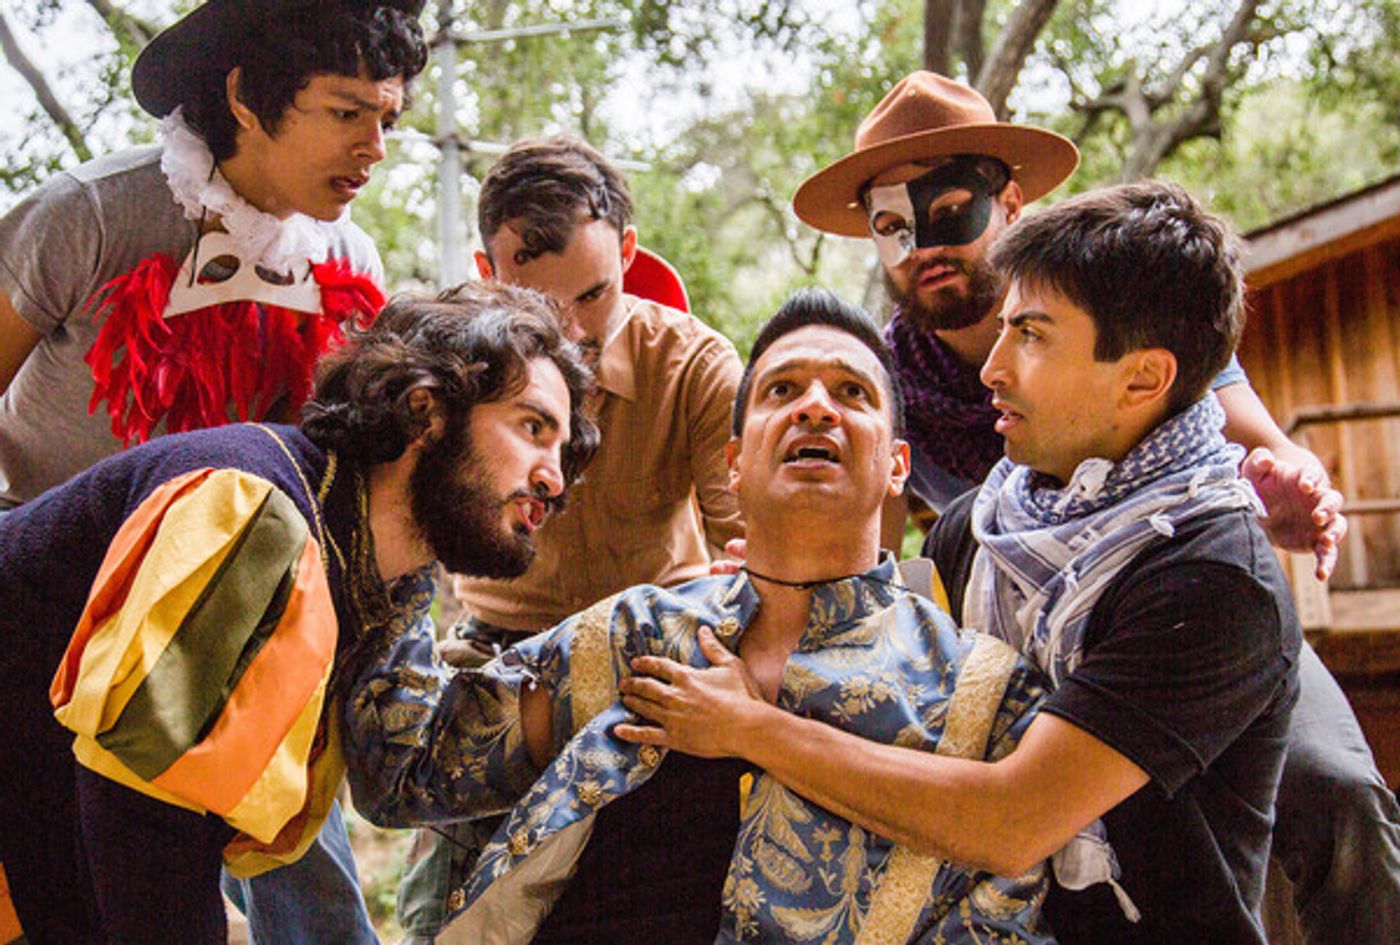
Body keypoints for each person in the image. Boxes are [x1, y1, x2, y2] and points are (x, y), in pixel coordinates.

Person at [790, 72, 1399, 943]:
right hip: (1015, 617)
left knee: (1335, 791)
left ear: (1011, 202)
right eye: (890, 225)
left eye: (948, 209)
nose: (920, 244)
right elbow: (874, 569)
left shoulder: (1117, 302)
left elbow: (1255, 448)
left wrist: (1286, 487)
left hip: (1172, 592)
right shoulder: (888, 380)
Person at [622, 183, 1302, 943]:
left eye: (1033, 336)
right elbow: (903, 680)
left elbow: (1010, 820)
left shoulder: (1212, 579)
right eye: (1004, 329)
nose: (992, 369)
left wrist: (751, 727)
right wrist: (776, 592)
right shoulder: (980, 527)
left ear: (1142, 378)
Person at [344, 289, 1054, 944]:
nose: (815, 407)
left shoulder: (981, 698)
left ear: (898, 464)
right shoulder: (635, 634)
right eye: (782, 389)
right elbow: (405, 769)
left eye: (851, 391)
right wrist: (421, 492)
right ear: (735, 462)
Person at [0, 1, 428, 939]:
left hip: (234, 623)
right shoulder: (91, 213)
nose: (375, 148)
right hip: (48, 607)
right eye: (345, 112)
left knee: (304, 869)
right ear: (244, 95)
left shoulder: (351, 261)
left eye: (387, 119)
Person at [0, 282, 597, 944]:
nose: (554, 478)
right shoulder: (254, 510)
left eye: (563, 449)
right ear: (425, 411)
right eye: (532, 427)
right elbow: (145, 808)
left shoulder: (376, 570)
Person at [389, 135, 746, 942]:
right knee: (442, 920)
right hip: (499, 660)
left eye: (594, 295)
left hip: (660, 661)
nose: (575, 336)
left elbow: (749, 553)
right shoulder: (444, 373)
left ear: (628, 251)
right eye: (542, 311)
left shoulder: (695, 367)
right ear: (488, 276)